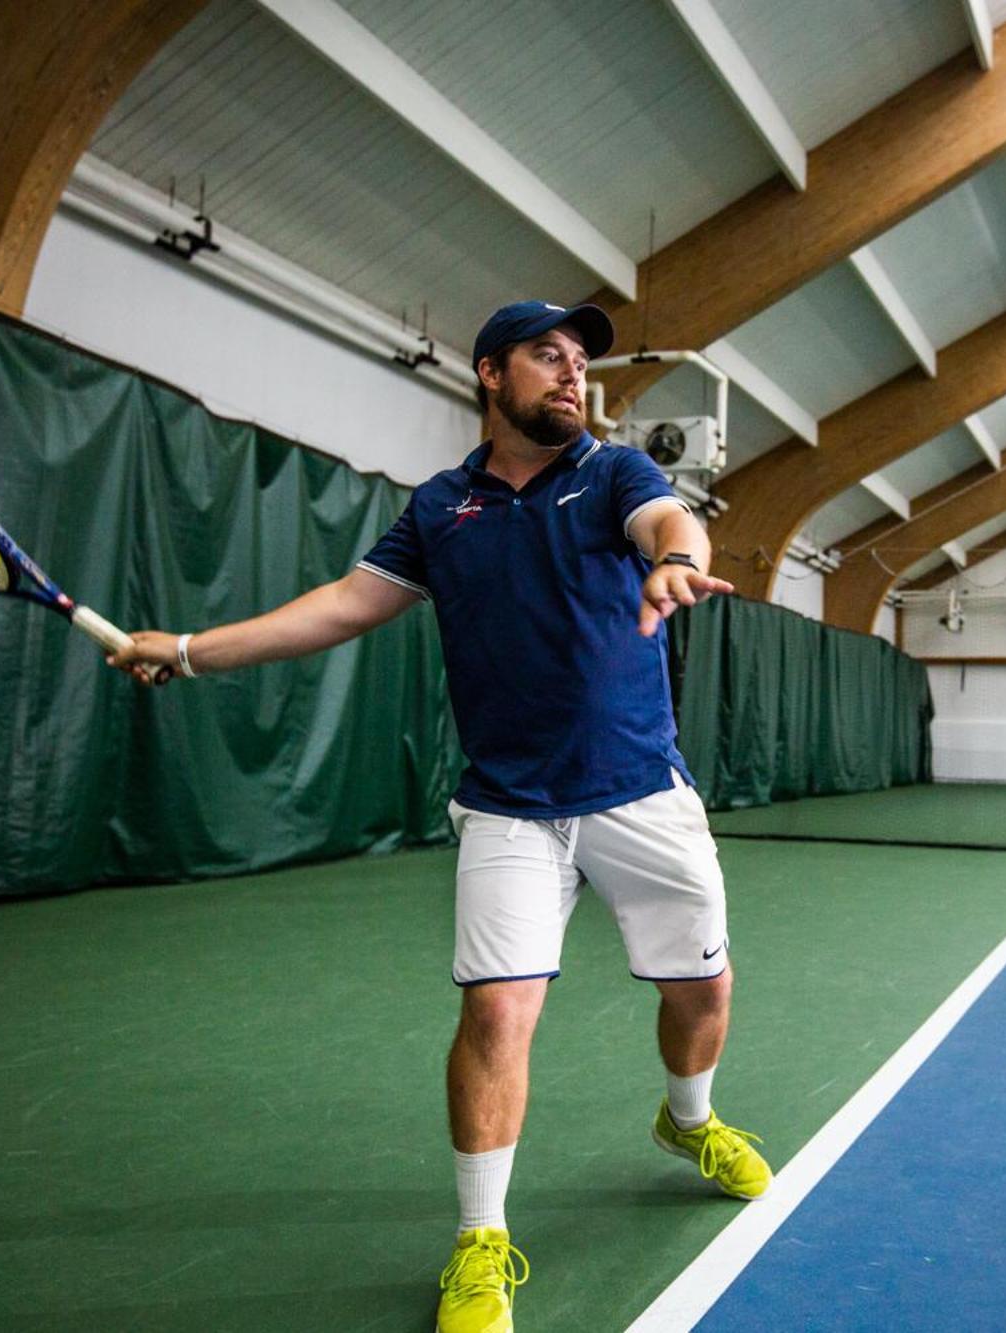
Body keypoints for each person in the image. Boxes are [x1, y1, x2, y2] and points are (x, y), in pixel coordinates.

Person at [109, 299, 771, 1333]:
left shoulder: (611, 474)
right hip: (508, 807)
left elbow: (665, 521)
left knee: (702, 989)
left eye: (578, 362)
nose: (571, 375)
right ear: (487, 374)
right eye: (545, 357)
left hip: (641, 789)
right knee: (497, 1010)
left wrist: (675, 555)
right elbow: (339, 605)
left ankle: (688, 1120)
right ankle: (479, 1241)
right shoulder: (438, 508)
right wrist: (187, 648)